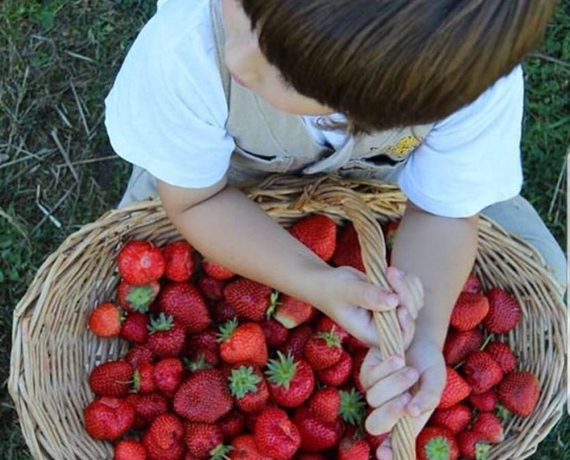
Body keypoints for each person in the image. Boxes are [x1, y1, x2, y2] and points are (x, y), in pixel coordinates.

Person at [104, 0, 565, 457]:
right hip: (223, 174)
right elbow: (196, 201)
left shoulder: (467, 86)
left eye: (282, 70)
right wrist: (313, 281)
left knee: (548, 275)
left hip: (390, 174)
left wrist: (421, 336)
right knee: (132, 251)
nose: (237, 56)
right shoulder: (190, 51)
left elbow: (444, 212)